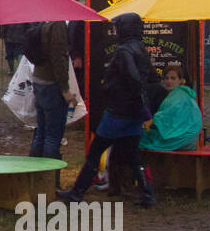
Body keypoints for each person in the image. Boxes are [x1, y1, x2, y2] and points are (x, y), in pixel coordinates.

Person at [58, 13, 157, 208]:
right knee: (134, 156)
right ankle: (147, 194)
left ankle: (77, 192)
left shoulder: (123, 51)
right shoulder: (141, 49)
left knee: (95, 152)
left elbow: (133, 79)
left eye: (118, 27)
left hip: (118, 112)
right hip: (133, 112)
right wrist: (142, 108)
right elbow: (146, 80)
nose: (116, 31)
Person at [28, 0, 83, 164]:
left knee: (41, 132)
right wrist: (65, 90)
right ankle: (47, 185)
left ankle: (36, 180)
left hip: (39, 79)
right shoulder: (58, 24)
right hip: (52, 84)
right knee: (53, 136)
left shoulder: (44, 17)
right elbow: (59, 60)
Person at [139, 62, 201, 152]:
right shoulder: (182, 93)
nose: (169, 81)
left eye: (173, 78)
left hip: (181, 138)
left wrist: (150, 121)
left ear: (180, 80)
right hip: (189, 139)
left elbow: (168, 113)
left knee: (140, 138)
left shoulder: (178, 94)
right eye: (166, 78)